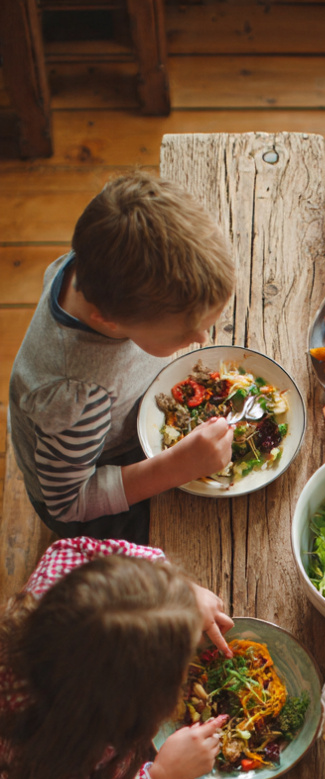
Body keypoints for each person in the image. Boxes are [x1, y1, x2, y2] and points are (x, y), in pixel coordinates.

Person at [9, 172, 235, 544]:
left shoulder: (93, 263)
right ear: (109, 321)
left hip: (106, 428)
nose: (202, 339)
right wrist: (176, 467)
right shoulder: (77, 395)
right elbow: (68, 504)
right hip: (88, 498)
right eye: (183, 333)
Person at [0, 535, 232, 779]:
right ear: (128, 711)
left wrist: (179, 596)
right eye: (176, 675)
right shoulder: (61, 768)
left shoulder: (62, 571)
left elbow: (81, 549)